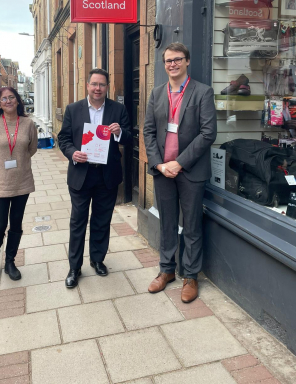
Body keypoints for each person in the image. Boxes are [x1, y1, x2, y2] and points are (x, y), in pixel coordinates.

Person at [143, 43, 217, 303]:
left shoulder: (203, 93)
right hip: (163, 171)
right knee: (167, 224)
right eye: (168, 61)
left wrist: (180, 162)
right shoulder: (156, 94)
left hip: (190, 171)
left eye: (177, 59)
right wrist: (159, 164)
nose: (172, 64)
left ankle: (190, 275)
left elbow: (208, 133)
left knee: (192, 226)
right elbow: (149, 132)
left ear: (187, 61)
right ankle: (166, 271)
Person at [58, 68, 132, 288]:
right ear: (87, 86)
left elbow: (129, 138)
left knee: (102, 221)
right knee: (78, 221)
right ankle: (74, 267)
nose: (98, 88)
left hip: (106, 176)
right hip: (81, 175)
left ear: (107, 87)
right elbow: (64, 139)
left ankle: (97, 259)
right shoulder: (73, 109)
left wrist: (119, 132)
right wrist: (73, 153)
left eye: (102, 84)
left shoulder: (118, 109)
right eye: (94, 84)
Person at [0, 86, 38, 280]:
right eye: (4, 99)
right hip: (0, 183)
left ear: (18, 100)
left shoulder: (28, 123)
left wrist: (18, 164)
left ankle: (10, 261)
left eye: (11, 97)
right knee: (0, 224)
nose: (8, 101)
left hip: (22, 181)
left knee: (16, 223)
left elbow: (32, 148)